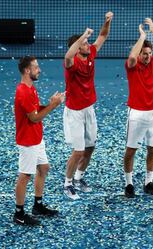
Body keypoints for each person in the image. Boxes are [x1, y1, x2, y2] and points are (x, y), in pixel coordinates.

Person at [63, 11, 113, 200]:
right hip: (74, 112)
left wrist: (107, 21)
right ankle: (67, 184)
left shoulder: (90, 53)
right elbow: (68, 55)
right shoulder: (71, 63)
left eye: (85, 43)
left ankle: (78, 178)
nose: (87, 45)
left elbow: (102, 36)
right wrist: (83, 36)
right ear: (77, 48)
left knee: (90, 147)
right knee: (78, 150)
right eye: (84, 43)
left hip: (88, 109)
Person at [13, 56, 65, 225]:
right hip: (28, 141)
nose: (39, 70)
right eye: (36, 67)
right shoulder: (23, 92)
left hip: (36, 137)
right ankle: (19, 213)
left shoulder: (31, 88)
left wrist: (49, 103)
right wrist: (54, 105)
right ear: (27, 70)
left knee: (43, 168)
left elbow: (35, 110)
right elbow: (34, 118)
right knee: (25, 175)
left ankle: (38, 205)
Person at [123, 18, 153, 198]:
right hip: (136, 114)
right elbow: (132, 58)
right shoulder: (132, 67)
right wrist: (142, 36)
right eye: (144, 53)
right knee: (131, 151)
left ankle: (148, 182)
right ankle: (129, 184)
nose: (147, 56)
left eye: (149, 53)